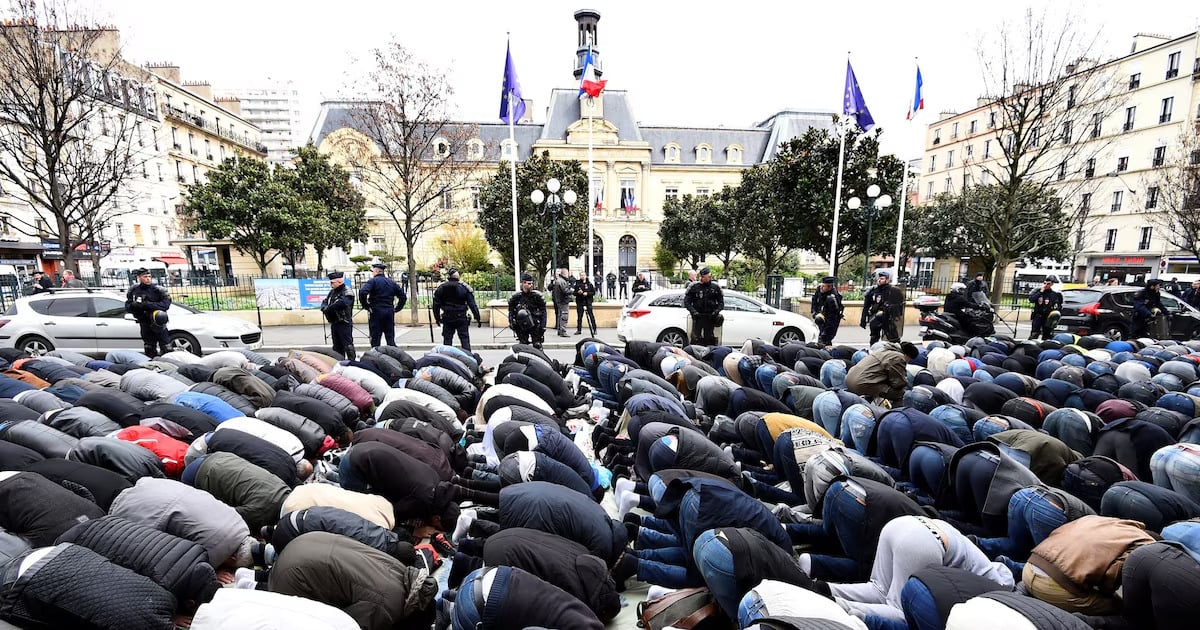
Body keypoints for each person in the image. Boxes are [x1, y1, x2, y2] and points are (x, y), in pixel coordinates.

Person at [844, 342, 919, 406]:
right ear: (906, 355)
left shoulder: (883, 350)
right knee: (902, 394)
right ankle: (894, 413)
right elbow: (898, 383)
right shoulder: (898, 357)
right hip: (862, 384)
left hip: (850, 380)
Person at [124, 267, 173, 357]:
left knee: (167, 347)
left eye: (149, 276)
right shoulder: (134, 290)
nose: (148, 278)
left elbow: (165, 305)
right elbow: (128, 305)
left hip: (158, 323)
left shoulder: (158, 290)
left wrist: (148, 305)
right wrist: (134, 306)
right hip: (144, 323)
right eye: (145, 276)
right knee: (149, 347)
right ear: (139, 277)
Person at [432, 268, 481, 352]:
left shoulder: (442, 288)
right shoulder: (464, 288)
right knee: (464, 339)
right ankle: (468, 359)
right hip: (461, 317)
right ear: (458, 277)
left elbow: (436, 305)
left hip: (447, 317)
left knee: (447, 341)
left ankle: (447, 360)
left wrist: (437, 319)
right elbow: (472, 305)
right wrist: (477, 318)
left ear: (449, 277)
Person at [358, 262, 406, 347]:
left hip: (376, 311)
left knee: (375, 338)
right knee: (390, 338)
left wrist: (366, 305)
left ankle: (375, 357)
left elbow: (362, 292)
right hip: (389, 311)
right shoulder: (391, 282)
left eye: (373, 271)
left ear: (376, 271)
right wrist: (397, 308)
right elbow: (403, 296)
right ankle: (393, 356)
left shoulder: (372, 281)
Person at [320, 271, 356, 360]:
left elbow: (343, 303)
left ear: (340, 281)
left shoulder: (347, 291)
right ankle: (339, 362)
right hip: (334, 322)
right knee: (336, 346)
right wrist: (324, 308)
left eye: (332, 282)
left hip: (344, 322)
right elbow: (325, 302)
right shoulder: (332, 292)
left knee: (348, 345)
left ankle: (352, 362)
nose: (331, 284)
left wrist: (328, 308)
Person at [860, 271, 904, 344]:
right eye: (879, 278)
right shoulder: (873, 290)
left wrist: (892, 311)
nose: (879, 280)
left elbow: (899, 305)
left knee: (893, 338)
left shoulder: (893, 291)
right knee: (874, 337)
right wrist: (863, 319)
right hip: (875, 317)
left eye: (882, 278)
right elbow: (866, 306)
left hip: (889, 318)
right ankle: (873, 351)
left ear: (887, 280)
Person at [684, 267, 724, 346]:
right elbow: (687, 302)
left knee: (709, 340)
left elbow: (721, 303)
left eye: (709, 276)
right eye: (705, 277)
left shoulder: (715, 287)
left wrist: (716, 312)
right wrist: (694, 312)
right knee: (696, 339)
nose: (708, 278)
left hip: (710, 318)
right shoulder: (694, 287)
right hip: (698, 317)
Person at [508, 273, 547, 349]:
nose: (531, 285)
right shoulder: (516, 297)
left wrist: (543, 326)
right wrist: (512, 323)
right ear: (523, 283)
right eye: (529, 283)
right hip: (521, 325)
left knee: (537, 346)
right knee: (523, 346)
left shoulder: (537, 296)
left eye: (532, 283)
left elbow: (543, 312)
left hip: (535, 324)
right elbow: (511, 311)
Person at [1028, 276, 1063, 341]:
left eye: (1048, 284)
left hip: (1048, 317)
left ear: (1052, 284)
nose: (1046, 285)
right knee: (1034, 334)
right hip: (1038, 315)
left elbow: (1057, 305)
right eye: (1045, 283)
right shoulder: (1038, 292)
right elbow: (1031, 299)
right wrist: (1040, 292)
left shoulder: (1054, 294)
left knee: (1047, 335)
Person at [811, 276, 844, 345]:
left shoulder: (833, 297)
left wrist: (825, 331)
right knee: (818, 338)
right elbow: (814, 300)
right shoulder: (819, 289)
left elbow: (834, 317)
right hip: (820, 318)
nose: (821, 288)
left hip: (829, 321)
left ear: (829, 287)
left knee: (825, 340)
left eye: (824, 286)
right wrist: (814, 312)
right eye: (822, 285)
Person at [549, 268, 572, 338]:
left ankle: (560, 330)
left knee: (560, 315)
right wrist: (571, 291)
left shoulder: (559, 280)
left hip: (559, 301)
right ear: (565, 273)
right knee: (564, 316)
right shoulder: (562, 281)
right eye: (567, 273)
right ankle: (563, 331)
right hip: (563, 301)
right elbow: (565, 291)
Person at [574, 270, 597, 336]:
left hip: (588, 302)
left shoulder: (589, 284)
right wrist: (578, 293)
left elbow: (593, 292)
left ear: (585, 276)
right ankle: (579, 330)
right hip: (580, 302)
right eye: (581, 275)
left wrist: (587, 293)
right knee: (579, 317)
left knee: (591, 316)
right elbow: (574, 293)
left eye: (583, 275)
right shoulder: (577, 283)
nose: (582, 276)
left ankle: (594, 329)